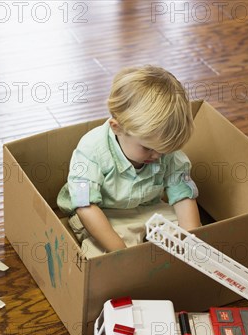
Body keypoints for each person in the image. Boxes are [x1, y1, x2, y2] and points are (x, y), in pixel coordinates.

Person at [57, 65, 201, 256]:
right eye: (148, 148)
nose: (158, 156)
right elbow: (86, 206)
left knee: (194, 236)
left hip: (149, 208)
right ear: (117, 128)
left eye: (165, 150)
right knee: (99, 256)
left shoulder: (162, 149)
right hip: (104, 214)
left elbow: (183, 196)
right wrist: (120, 252)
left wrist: (190, 242)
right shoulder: (91, 151)